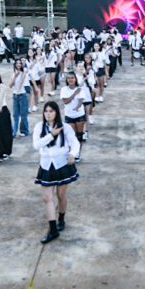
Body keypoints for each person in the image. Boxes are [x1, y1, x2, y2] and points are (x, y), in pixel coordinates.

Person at [33, 101, 80, 244]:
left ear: (56, 113)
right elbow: (36, 145)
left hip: (62, 164)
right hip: (46, 165)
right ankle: (53, 230)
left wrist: (73, 154)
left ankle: (61, 218)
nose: (48, 114)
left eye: (51, 111)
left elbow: (75, 143)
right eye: (46, 111)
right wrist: (51, 135)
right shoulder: (39, 127)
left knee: (61, 195)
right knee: (47, 198)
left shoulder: (65, 127)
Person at [59, 71, 87, 148]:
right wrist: (74, 94)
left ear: (75, 79)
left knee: (79, 135)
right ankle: (73, 151)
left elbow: (81, 101)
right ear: (66, 80)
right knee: (72, 136)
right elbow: (66, 101)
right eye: (68, 78)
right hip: (69, 115)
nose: (70, 80)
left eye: (72, 78)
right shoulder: (64, 89)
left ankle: (78, 153)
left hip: (79, 114)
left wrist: (77, 107)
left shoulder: (80, 89)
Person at [10, 59, 30, 137]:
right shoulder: (13, 73)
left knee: (23, 114)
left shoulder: (24, 71)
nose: (18, 64)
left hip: (22, 94)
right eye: (17, 63)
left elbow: (21, 81)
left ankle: (24, 131)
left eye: (20, 63)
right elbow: (10, 85)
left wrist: (18, 91)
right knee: (15, 114)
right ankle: (14, 132)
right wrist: (14, 77)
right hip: (15, 95)